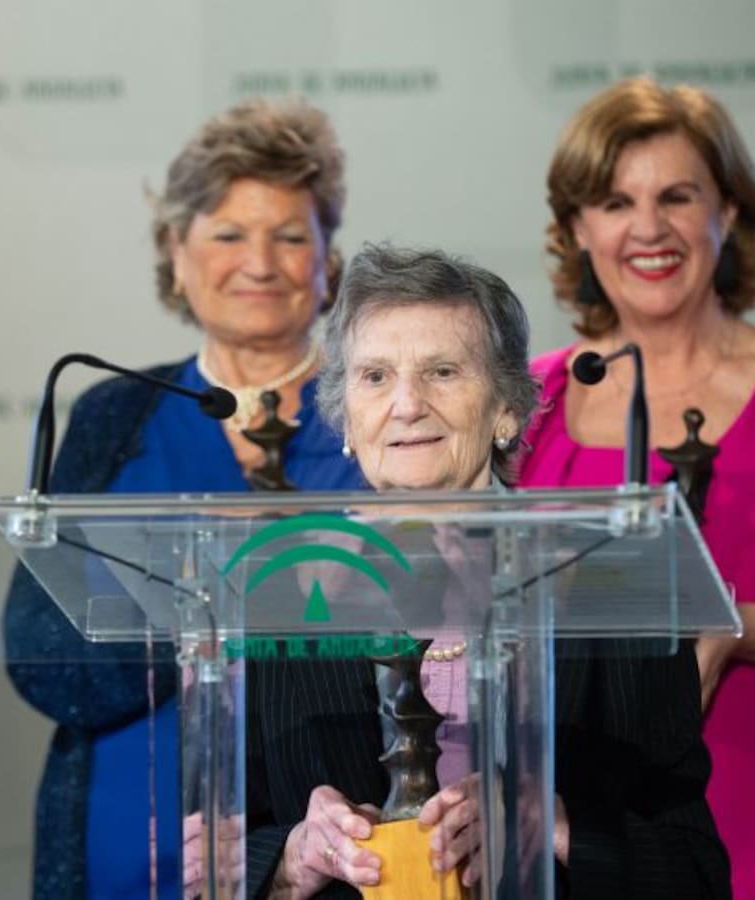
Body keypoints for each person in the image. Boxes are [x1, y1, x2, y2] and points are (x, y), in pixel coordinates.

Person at [245, 244, 729, 898]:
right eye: (375, 376)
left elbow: (695, 871)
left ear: (506, 407)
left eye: (442, 371)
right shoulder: (283, 593)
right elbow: (220, 849)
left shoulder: (607, 584)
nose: (407, 404)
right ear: (347, 420)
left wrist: (552, 824)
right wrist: (293, 857)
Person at [4, 98, 367, 899]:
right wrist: (208, 605)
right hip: (122, 846)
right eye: (229, 234)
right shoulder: (113, 415)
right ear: (176, 251)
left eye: (290, 236)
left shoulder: (381, 418)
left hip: (333, 853)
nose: (259, 263)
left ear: (328, 259)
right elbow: (40, 652)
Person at [518, 76, 755, 897]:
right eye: (616, 202)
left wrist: (731, 626)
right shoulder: (525, 402)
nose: (648, 228)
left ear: (729, 209)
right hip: (563, 833)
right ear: (578, 228)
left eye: (677, 196)